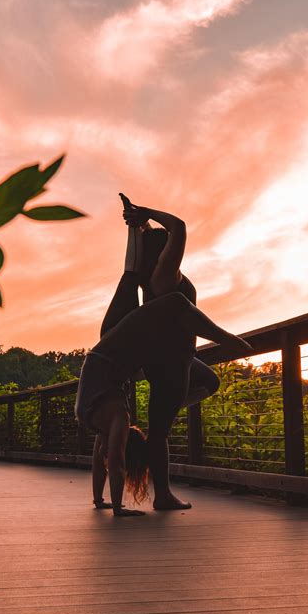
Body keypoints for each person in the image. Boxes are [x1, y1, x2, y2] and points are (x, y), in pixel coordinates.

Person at [75, 291, 253, 516]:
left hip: (119, 353)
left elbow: (115, 458)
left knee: (177, 302)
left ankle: (226, 339)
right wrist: (102, 501)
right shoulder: (102, 419)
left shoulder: (114, 417)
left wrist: (116, 507)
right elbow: (108, 459)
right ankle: (223, 343)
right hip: (109, 359)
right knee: (208, 379)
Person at [98, 195, 224, 510]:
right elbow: (179, 226)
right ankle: (164, 496)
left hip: (168, 356)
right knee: (163, 430)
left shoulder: (147, 278)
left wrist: (137, 221)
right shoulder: (166, 275)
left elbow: (140, 248)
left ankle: (164, 419)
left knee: (207, 383)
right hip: (171, 360)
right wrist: (147, 212)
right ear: (165, 251)